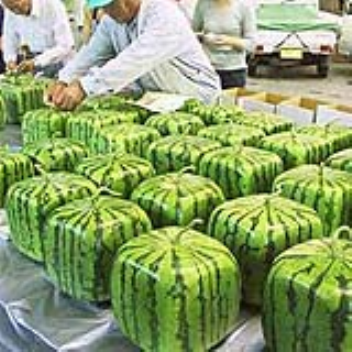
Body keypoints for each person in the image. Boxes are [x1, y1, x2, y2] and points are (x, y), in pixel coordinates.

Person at [47, 0, 221, 111]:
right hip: (159, 100)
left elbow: (134, 59)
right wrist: (64, 78)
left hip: (196, 98)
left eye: (109, 5)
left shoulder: (163, 14)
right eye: (103, 7)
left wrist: (84, 87)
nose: (106, 12)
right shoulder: (111, 22)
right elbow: (90, 54)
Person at [192, 0, 256, 89]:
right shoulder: (203, 4)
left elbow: (251, 44)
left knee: (230, 102)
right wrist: (204, 37)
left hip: (234, 71)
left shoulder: (244, 6)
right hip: (208, 69)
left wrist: (229, 40)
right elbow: (191, 34)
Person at [2, 0, 75, 78]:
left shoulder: (52, 5)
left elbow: (65, 46)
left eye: (17, 6)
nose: (16, 12)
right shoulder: (10, 10)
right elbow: (9, 41)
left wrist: (36, 62)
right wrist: (10, 61)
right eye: (11, 9)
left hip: (60, 64)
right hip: (31, 63)